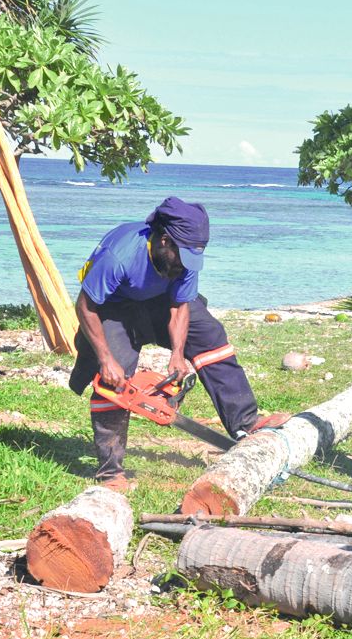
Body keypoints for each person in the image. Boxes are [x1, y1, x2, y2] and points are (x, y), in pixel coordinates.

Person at [68, 196, 284, 491]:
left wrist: (178, 354)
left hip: (159, 302)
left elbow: (180, 305)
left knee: (210, 335)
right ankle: (110, 473)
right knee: (114, 384)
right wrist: (106, 358)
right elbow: (85, 306)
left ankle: (246, 423)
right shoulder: (119, 255)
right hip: (112, 308)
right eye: (181, 258)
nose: (185, 266)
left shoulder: (185, 258)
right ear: (164, 241)